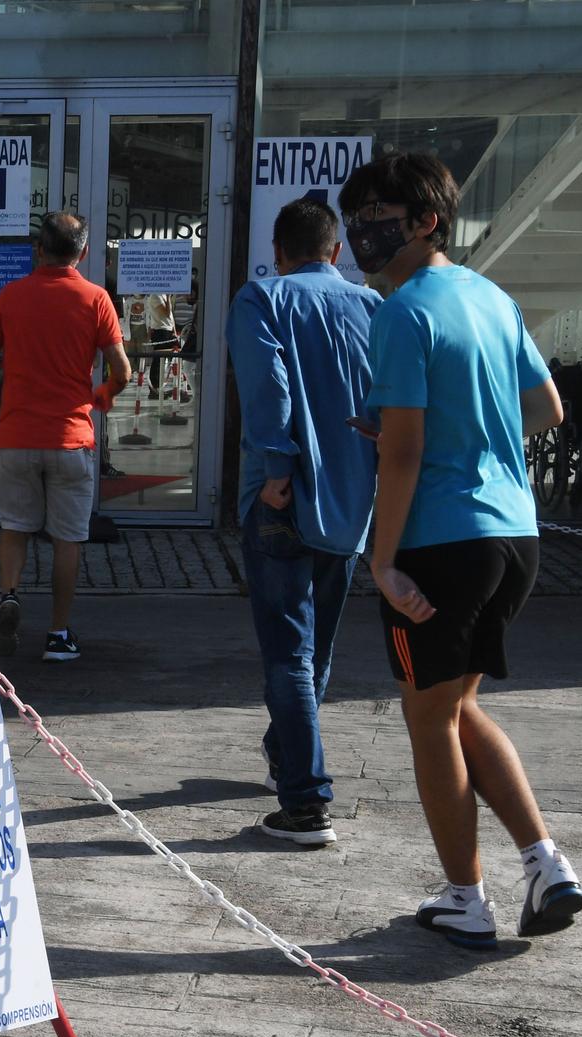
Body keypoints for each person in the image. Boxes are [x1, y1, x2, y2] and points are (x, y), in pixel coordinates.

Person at [340, 150, 582, 949]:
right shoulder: (489, 297)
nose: (361, 231)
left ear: (425, 221)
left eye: (378, 215)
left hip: (441, 542)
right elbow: (546, 408)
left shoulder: (404, 312)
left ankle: (465, 898)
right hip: (512, 534)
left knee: (428, 720)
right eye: (356, 216)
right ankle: (546, 862)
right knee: (457, 705)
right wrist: (470, 444)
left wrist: (381, 561)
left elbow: (402, 455)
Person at [226, 197, 383, 845]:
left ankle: (306, 802)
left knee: (288, 654)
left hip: (281, 499)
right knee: (315, 652)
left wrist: (280, 471)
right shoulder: (374, 307)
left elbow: (270, 387)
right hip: (349, 504)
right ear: (336, 251)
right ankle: (286, 754)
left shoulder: (263, 300)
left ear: (278, 250)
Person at [0, 211, 128, 663]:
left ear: (38, 249)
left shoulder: (11, 296)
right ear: (84, 252)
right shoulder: (96, 299)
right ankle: (58, 633)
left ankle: (11, 594)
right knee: (67, 539)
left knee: (15, 528)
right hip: (71, 437)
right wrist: (100, 397)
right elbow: (123, 370)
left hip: (16, 434)